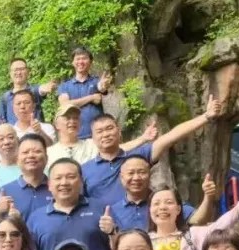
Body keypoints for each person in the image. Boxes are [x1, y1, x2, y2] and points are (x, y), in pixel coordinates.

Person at [82, 95, 222, 209]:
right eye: (99, 131)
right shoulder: (84, 170)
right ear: (92, 138)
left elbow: (171, 136)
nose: (105, 134)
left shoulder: (138, 157)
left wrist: (206, 116)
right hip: (104, 227)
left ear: (118, 131)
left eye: (109, 128)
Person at [25, 158, 114, 250]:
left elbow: (118, 248)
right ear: (49, 184)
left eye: (70, 177)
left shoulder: (101, 209)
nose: (64, 182)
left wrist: (112, 232)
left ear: (81, 181)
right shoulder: (36, 217)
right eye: (58, 178)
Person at [108, 161, 216, 231]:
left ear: (150, 175)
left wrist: (208, 197)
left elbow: (198, 220)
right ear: (121, 177)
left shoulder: (165, 201)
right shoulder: (113, 211)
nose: (136, 178)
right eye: (131, 173)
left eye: (141, 172)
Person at [56, 47, 111, 139]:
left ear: (90, 62)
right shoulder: (65, 86)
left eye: (84, 58)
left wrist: (103, 86)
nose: (81, 62)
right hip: (75, 136)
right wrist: (91, 98)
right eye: (78, 59)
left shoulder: (96, 81)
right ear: (73, 62)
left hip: (97, 135)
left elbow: (101, 87)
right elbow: (65, 104)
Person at [0, 135, 50, 221]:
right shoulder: (6, 191)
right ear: (17, 159)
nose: (31, 155)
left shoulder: (57, 189)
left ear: (46, 158)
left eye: (37, 151)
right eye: (25, 152)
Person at [0, 58, 55, 124]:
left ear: (28, 72)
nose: (19, 72)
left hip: (35, 130)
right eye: (15, 70)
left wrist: (48, 87)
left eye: (22, 69)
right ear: (10, 73)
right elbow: (1, 121)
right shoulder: (5, 97)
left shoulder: (33, 91)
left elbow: (41, 89)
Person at [46, 104, 95, 171]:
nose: (72, 121)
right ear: (56, 124)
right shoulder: (49, 153)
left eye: (76, 118)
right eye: (67, 118)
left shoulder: (92, 145)